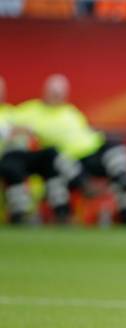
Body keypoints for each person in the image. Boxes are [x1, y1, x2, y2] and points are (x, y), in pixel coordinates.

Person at [14, 74, 126, 224]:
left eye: (60, 93)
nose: (56, 96)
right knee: (55, 156)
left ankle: (123, 188)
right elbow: (10, 121)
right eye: (53, 92)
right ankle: (84, 186)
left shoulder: (70, 111)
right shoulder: (31, 110)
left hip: (91, 152)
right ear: (45, 91)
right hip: (67, 160)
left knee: (115, 146)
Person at [0, 76, 81, 224]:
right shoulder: (28, 109)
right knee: (11, 164)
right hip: (8, 158)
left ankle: (63, 211)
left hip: (25, 155)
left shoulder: (9, 111)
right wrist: (11, 130)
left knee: (51, 158)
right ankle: (20, 213)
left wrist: (24, 131)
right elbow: (10, 129)